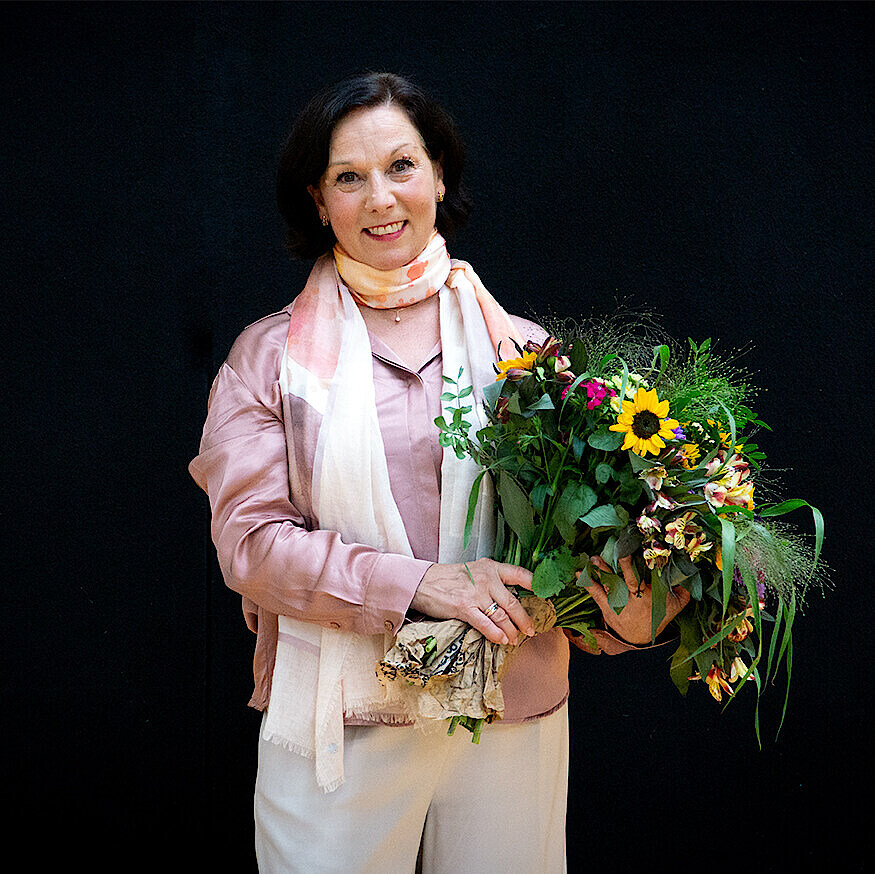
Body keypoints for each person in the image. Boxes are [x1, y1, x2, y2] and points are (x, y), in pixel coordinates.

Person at [189, 71, 687, 874]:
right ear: (318, 200)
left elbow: (577, 538)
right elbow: (250, 548)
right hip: (339, 721)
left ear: (439, 175)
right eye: (348, 177)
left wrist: (645, 596)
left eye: (400, 166)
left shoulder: (524, 354)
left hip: (508, 708)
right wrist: (422, 584)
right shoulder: (269, 358)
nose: (380, 198)